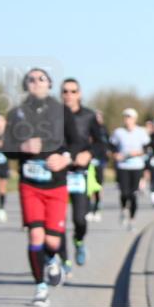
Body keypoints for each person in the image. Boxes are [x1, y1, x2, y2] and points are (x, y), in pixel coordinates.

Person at [4, 66, 83, 305]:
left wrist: (65, 159)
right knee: (35, 235)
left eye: (41, 79)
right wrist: (22, 148)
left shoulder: (62, 111)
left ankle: (51, 259)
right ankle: (40, 288)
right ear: (26, 85)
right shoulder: (16, 113)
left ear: (49, 84)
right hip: (30, 184)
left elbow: (77, 143)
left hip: (56, 184)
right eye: (31, 79)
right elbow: (6, 147)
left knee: (53, 241)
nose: (36, 82)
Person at [60, 78, 100, 269]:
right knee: (57, 221)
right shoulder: (54, 116)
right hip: (59, 173)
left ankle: (79, 240)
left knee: (79, 219)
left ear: (80, 94)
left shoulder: (89, 116)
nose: (69, 95)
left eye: (73, 91)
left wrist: (88, 154)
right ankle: (63, 260)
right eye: (65, 91)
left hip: (80, 174)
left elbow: (101, 144)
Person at [110, 108, 150, 231]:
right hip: (123, 166)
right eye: (126, 117)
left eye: (130, 117)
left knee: (133, 194)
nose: (128, 120)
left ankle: (132, 220)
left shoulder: (141, 132)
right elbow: (111, 147)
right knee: (124, 193)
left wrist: (137, 153)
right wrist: (115, 155)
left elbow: (147, 148)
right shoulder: (118, 132)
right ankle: (123, 209)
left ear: (135, 119)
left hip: (137, 166)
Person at [88, 109, 110, 222]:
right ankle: (89, 209)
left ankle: (97, 208)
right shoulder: (87, 129)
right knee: (89, 186)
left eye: (99, 117)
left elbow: (108, 145)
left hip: (100, 160)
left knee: (99, 186)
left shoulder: (104, 130)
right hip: (89, 160)